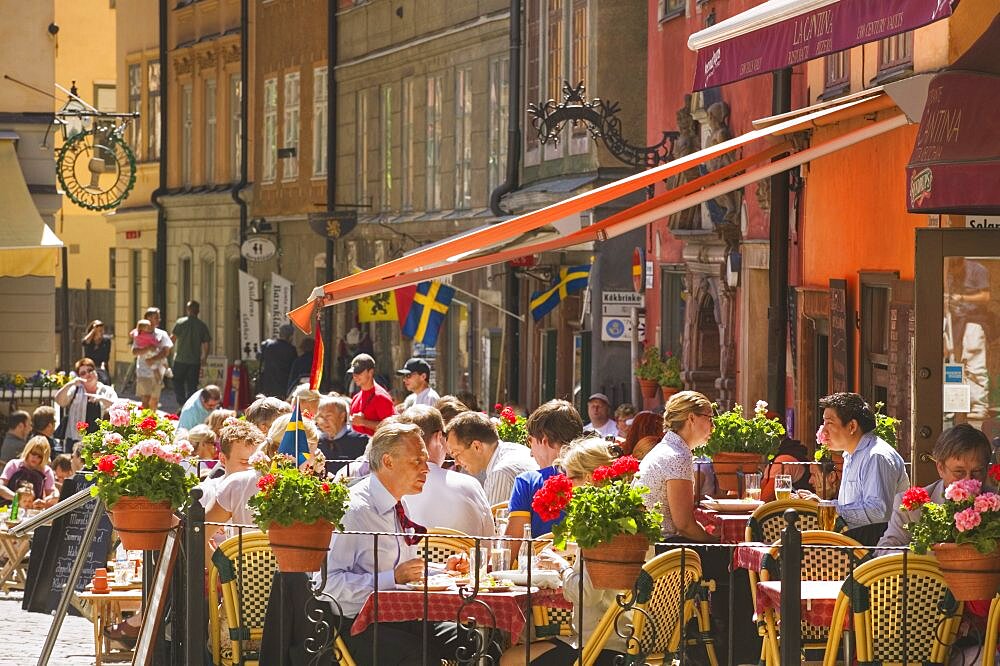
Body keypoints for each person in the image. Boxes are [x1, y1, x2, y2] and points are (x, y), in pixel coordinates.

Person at [318, 421, 498, 665]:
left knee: (480, 641)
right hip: (359, 626)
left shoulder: (398, 503)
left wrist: (442, 569)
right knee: (421, 657)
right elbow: (328, 585)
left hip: (403, 617)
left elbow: (404, 571)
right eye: (417, 461)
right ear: (388, 462)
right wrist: (392, 578)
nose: (426, 469)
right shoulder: (354, 510)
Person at [503, 436, 628, 666]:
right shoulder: (626, 517)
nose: (567, 485)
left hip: (599, 647)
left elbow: (587, 595)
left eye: (570, 478)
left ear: (589, 478)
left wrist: (562, 568)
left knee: (510, 658)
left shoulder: (600, 524)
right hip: (628, 637)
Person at [798, 392, 909, 545]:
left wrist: (828, 507)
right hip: (855, 542)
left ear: (852, 426)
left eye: (829, 423)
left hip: (875, 547)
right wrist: (823, 505)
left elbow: (878, 512)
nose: (823, 431)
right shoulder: (851, 455)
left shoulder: (875, 456)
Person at [878, 424, 990, 549]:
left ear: (986, 469)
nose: (968, 479)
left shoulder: (996, 503)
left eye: (977, 471)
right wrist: (933, 556)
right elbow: (884, 551)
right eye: (959, 472)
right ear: (940, 468)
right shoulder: (913, 507)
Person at [398, 405, 493, 537]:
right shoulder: (470, 485)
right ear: (438, 437)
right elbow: (489, 541)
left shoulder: (390, 488)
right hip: (464, 556)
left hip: (409, 557)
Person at [506, 400, 583, 559]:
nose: (530, 453)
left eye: (530, 442)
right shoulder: (593, 478)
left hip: (538, 575)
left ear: (544, 440)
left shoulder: (527, 482)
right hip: (587, 574)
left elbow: (511, 548)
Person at [637, 391, 717, 543]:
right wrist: (715, 541)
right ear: (691, 418)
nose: (713, 426)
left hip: (654, 545)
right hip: (664, 550)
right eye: (710, 418)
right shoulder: (677, 456)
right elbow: (684, 525)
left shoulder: (669, 449)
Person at [445, 410, 537, 506]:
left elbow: (493, 520)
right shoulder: (514, 449)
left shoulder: (500, 473)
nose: (456, 462)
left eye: (456, 454)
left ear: (477, 446)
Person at [945, 257, 991, 425]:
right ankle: (954, 406)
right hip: (953, 319)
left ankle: (978, 406)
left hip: (973, 320)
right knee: (952, 364)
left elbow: (985, 296)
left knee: (974, 362)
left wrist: (962, 298)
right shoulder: (947, 270)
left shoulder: (977, 270)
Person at [53, 357, 118, 454]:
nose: (87, 374)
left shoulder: (106, 390)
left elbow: (117, 406)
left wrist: (101, 399)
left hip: (100, 440)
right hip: (76, 439)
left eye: (90, 370)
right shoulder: (75, 389)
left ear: (95, 371)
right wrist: (70, 384)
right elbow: (59, 401)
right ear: (79, 376)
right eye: (83, 373)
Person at [171, 300, 212, 405]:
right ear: (198, 311)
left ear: (188, 310)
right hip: (194, 361)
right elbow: (206, 344)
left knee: (177, 381)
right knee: (192, 385)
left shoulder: (180, 322)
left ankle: (181, 402)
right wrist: (204, 358)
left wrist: (168, 353)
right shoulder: (202, 325)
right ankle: (189, 405)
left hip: (180, 359)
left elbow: (172, 339)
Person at [132, 307, 173, 410]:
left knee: (154, 400)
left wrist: (153, 359)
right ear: (148, 318)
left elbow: (166, 351)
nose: (159, 320)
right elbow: (135, 351)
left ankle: (152, 422)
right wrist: (147, 349)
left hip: (158, 371)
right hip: (143, 370)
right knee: (145, 398)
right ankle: (144, 422)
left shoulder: (162, 334)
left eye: (159, 318)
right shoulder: (140, 334)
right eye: (156, 317)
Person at [0, 436, 58, 508]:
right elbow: (1, 487)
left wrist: (44, 502)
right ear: (28, 451)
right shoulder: (13, 464)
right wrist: (17, 498)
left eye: (39, 456)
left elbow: (53, 495)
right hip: (9, 508)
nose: (35, 458)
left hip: (33, 512)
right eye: (33, 453)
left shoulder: (46, 471)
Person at [315, 395, 368, 473]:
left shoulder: (360, 440)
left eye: (328, 416)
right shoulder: (318, 441)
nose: (324, 421)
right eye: (321, 417)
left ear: (342, 416)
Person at [347, 353, 394, 437]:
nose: (355, 376)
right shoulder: (356, 397)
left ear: (370, 372)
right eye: (353, 373)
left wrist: (364, 422)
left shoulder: (381, 397)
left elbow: (391, 427)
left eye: (359, 372)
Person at [760, 437, 811, 501]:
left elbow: (766, 498)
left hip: (798, 508)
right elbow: (760, 491)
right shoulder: (777, 460)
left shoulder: (782, 461)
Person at [257, 324, 298, 398]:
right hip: (283, 385)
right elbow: (294, 366)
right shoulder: (291, 349)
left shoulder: (268, 345)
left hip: (267, 383)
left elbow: (259, 357)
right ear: (291, 336)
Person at [81, 319, 112, 384]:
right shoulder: (89, 340)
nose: (102, 332)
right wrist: (93, 330)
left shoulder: (106, 341)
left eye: (102, 330)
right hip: (89, 366)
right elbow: (84, 342)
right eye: (99, 331)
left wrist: (103, 367)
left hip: (101, 366)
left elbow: (106, 356)